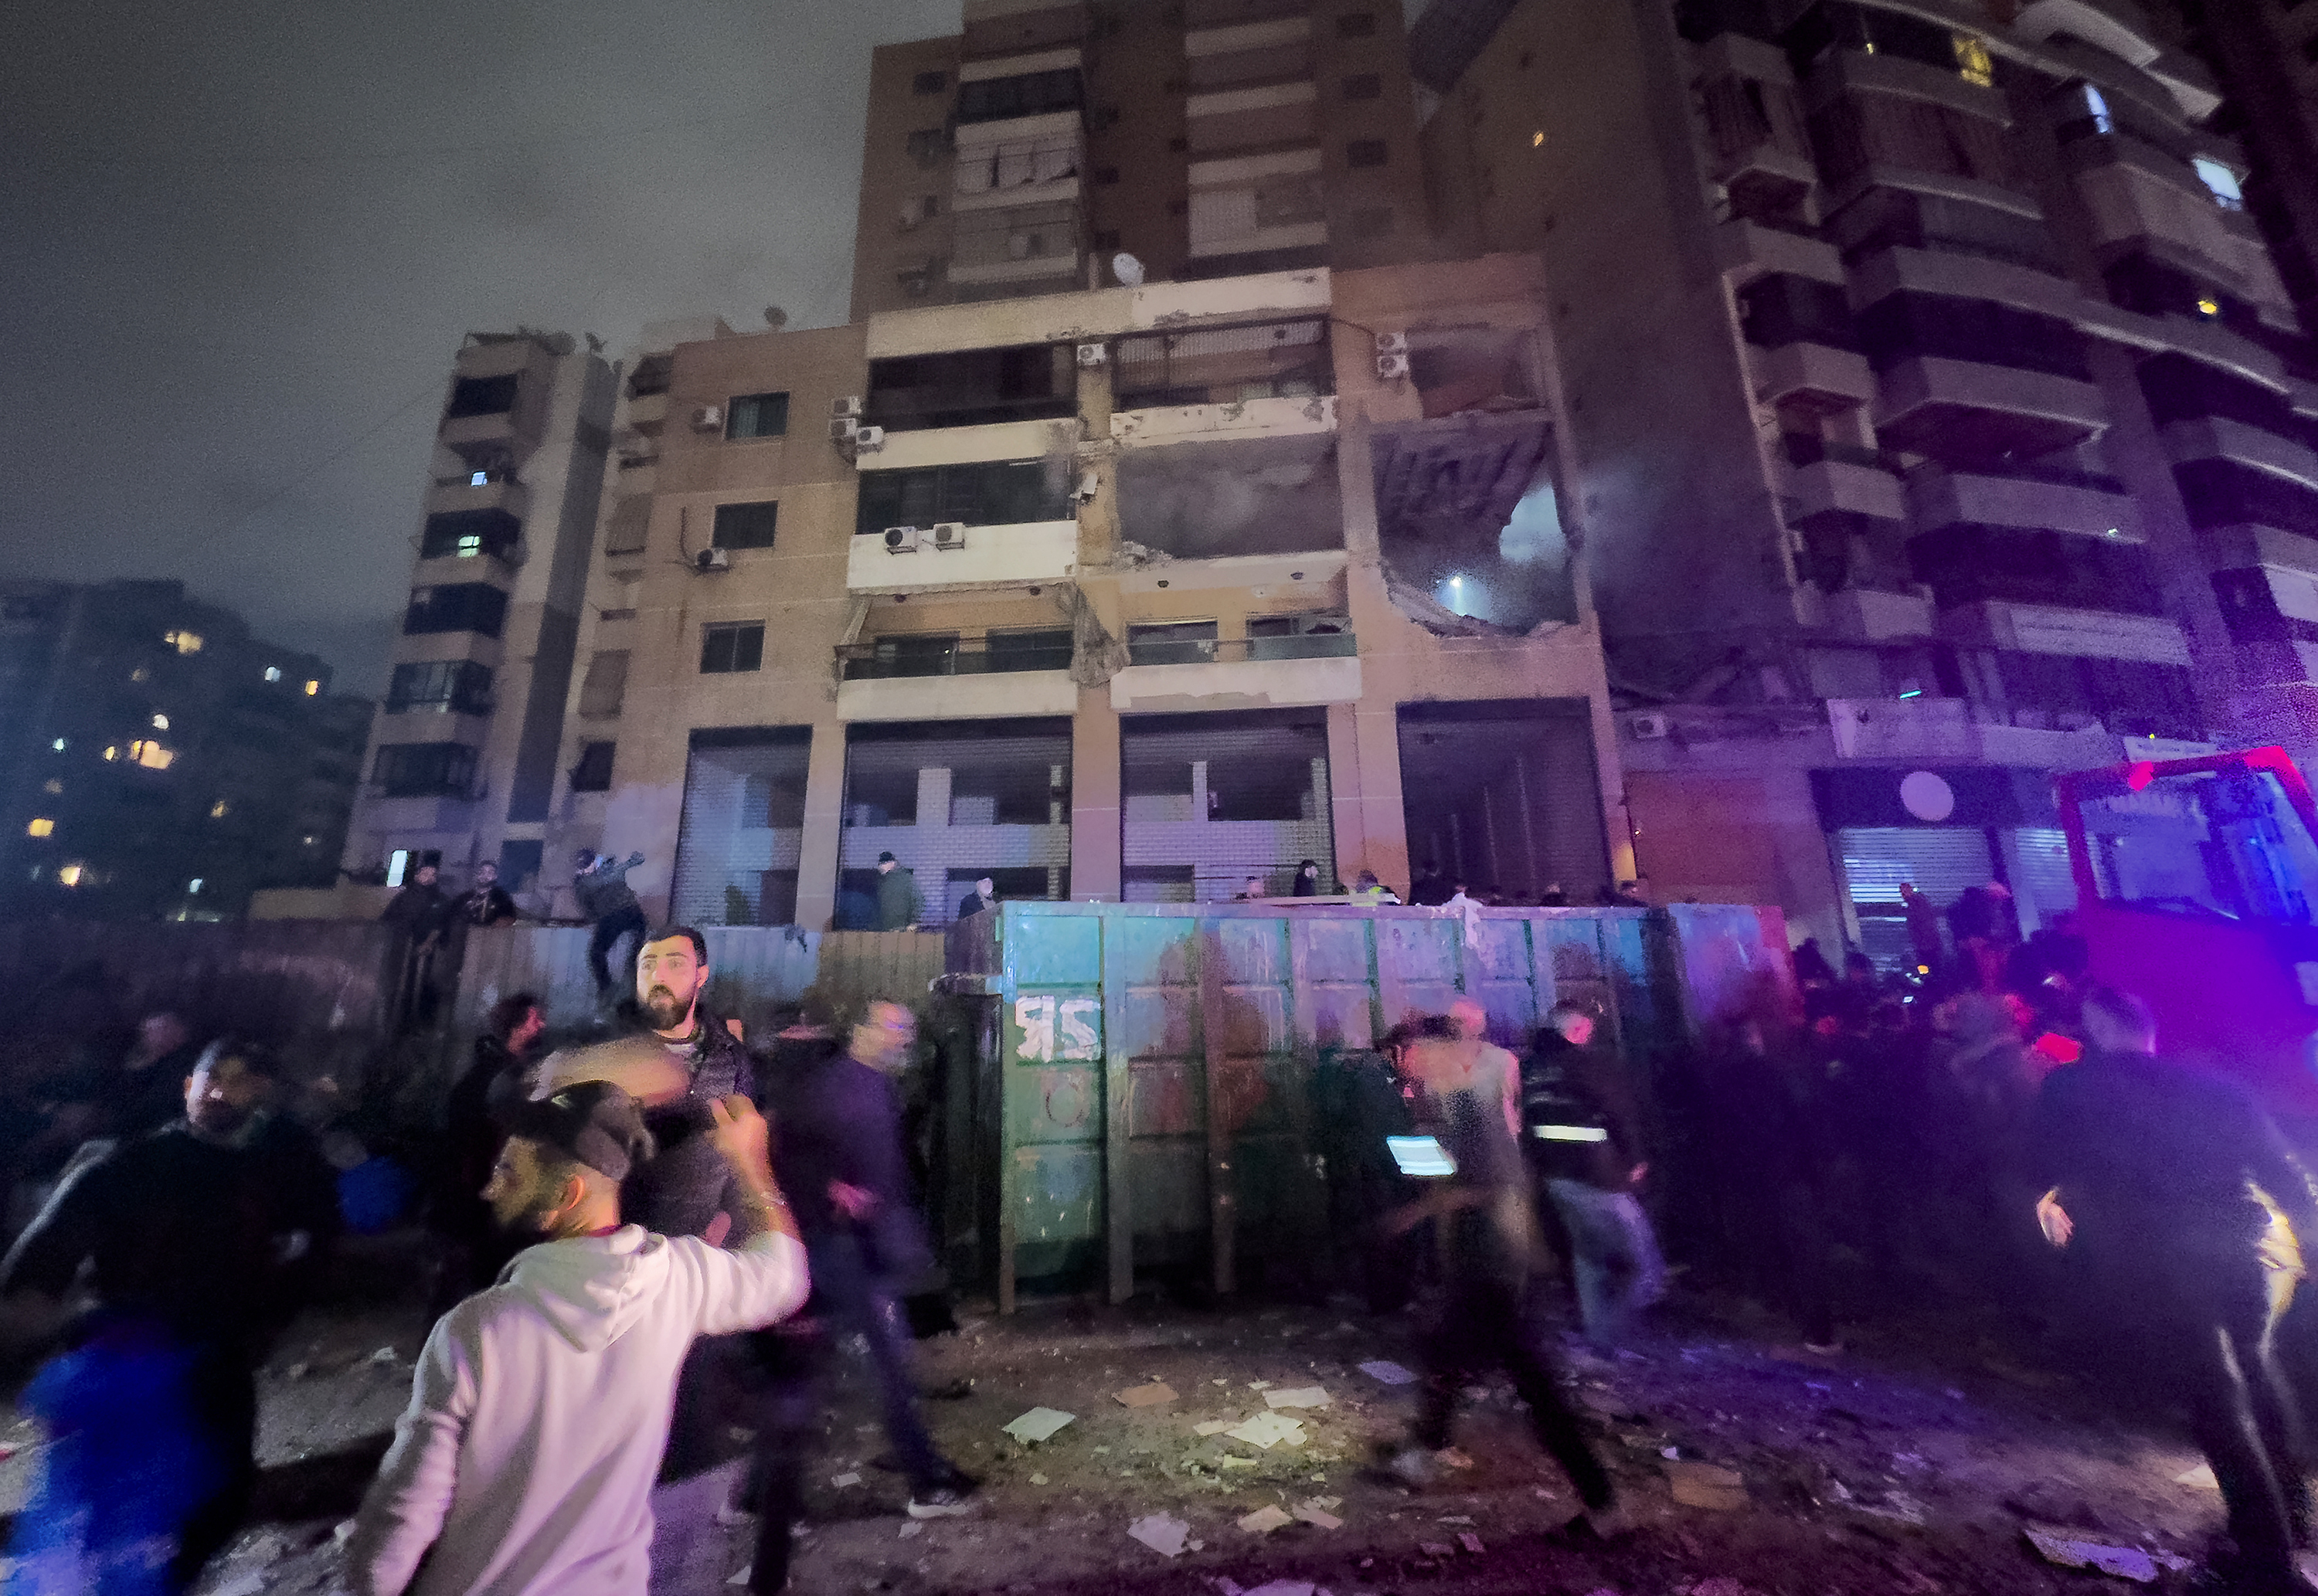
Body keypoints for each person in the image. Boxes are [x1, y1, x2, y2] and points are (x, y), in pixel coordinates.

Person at [345, 1082, 807, 1596]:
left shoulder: (475, 1331)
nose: (489, 1189)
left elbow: (402, 1520)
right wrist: (750, 1161)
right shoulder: (678, 1279)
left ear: (566, 1198)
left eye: (508, 1173)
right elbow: (783, 1278)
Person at [0, 1041, 339, 1591]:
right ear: (188, 1086)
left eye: (242, 1081)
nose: (222, 1092)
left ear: (263, 1095)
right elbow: (40, 1263)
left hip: (217, 1360)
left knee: (219, 1500)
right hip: (127, 1366)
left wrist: (272, 1312)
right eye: (212, 1079)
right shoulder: (130, 1167)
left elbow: (311, 1240)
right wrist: (51, 1324)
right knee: (100, 1521)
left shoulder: (272, 1172)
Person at [2031, 986, 2318, 1596]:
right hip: (2241, 1256)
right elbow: (2285, 1177)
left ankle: (2269, 1564)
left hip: (2158, 1261)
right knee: (2256, 1373)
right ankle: (2293, 1516)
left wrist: (2054, 1201)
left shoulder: (2075, 1087)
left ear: (2101, 1029)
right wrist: (2312, 1252)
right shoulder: (2217, 1090)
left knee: (2217, 1403)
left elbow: (2036, 1161)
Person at [1377, 1013, 1630, 1540]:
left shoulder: (1472, 1106)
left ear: (1450, 1054)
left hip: (1498, 1265)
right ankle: (1424, 1451)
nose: (1414, 1067)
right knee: (1450, 1356)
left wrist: (1421, 1210)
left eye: (1422, 1055)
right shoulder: (1448, 1106)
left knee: (1533, 1389)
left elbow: (1495, 1180)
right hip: (1485, 1265)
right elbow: (1457, 1174)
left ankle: (1603, 1505)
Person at [760, 997, 978, 1520]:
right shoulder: (829, 1085)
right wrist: (832, 1188)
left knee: (813, 1373)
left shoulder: (880, 1085)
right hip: (838, 1248)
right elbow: (779, 1151)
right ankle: (926, 1483)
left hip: (868, 1249)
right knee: (886, 1366)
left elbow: (885, 1168)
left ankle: (754, 1496)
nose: (903, 1038)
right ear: (861, 1031)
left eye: (906, 1029)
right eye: (892, 1028)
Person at [1523, 1003, 1664, 1347]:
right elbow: (1619, 1112)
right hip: (1599, 1178)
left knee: (1589, 1259)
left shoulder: (1534, 1069)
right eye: (1587, 1031)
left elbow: (1529, 1128)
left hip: (1557, 1180)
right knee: (1646, 1269)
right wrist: (1635, 1159)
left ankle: (1598, 1336)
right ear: (1577, 1031)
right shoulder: (1585, 1063)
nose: (1590, 1038)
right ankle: (1610, 1337)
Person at [427, 993, 544, 1317]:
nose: (542, 1026)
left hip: (487, 1201)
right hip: (475, 1205)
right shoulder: (490, 1081)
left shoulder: (504, 1074)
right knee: (466, 1291)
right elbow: (468, 1148)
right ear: (517, 1028)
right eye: (535, 1020)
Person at [575, 849, 648, 1000]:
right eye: (583, 867)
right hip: (624, 916)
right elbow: (588, 907)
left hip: (622, 915)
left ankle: (609, 988)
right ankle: (609, 987)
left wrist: (630, 861)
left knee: (598, 953)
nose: (586, 870)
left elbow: (588, 908)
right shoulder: (593, 877)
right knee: (599, 954)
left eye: (587, 865)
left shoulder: (590, 878)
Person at [454, 861, 519, 929]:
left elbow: (509, 918)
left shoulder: (501, 897)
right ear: (476, 875)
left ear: (495, 876)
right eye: (481, 872)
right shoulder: (466, 897)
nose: (485, 876)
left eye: (490, 873)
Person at [875, 851, 926, 930]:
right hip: (888, 927)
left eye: (883, 864)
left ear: (892, 864)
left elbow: (918, 900)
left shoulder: (904, 879)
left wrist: (913, 922)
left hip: (901, 927)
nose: (881, 867)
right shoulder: (883, 882)